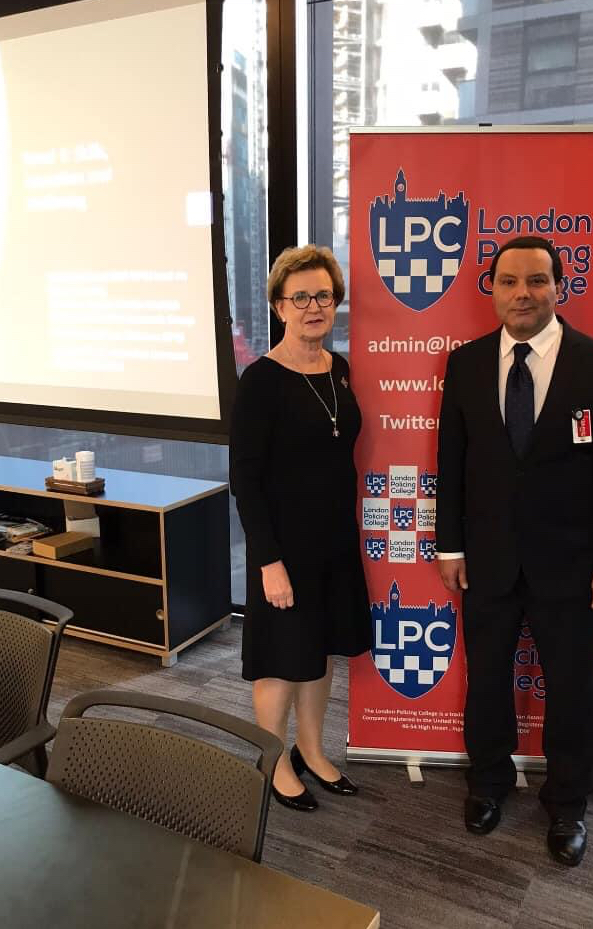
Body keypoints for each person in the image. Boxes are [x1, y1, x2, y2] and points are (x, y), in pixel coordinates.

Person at [436, 235, 593, 866]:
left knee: (572, 689)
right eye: (509, 281)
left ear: (559, 288)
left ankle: (568, 802)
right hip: (487, 561)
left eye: (536, 281)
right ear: (492, 290)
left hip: (572, 567)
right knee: (487, 680)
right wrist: (449, 546)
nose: (522, 293)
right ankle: (487, 783)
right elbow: (451, 463)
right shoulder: (465, 364)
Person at [229, 244, 373, 812]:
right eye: (301, 297)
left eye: (324, 296)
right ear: (279, 306)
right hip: (283, 548)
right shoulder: (261, 380)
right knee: (281, 658)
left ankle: (311, 750)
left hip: (335, 541)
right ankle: (273, 760)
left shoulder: (339, 369)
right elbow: (245, 479)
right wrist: (269, 562)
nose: (314, 307)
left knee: (321, 650)